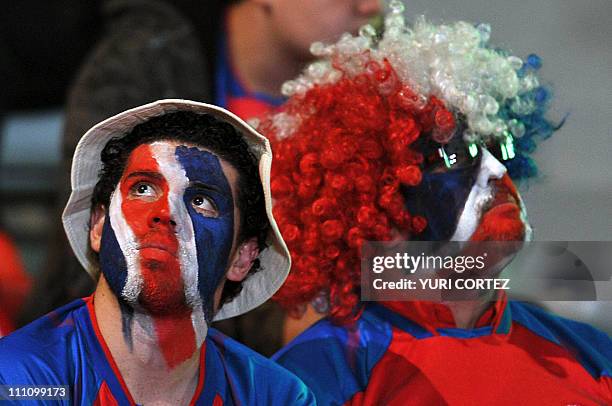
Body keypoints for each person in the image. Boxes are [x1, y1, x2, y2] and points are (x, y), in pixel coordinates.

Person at [258, 4, 612, 404]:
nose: (497, 170)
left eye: (499, 146)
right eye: (455, 157)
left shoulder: (591, 353)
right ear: (378, 209)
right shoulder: (319, 377)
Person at [25, 0, 381, 356]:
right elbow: (98, 261)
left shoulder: (377, 92)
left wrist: (413, 280)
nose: (370, 7)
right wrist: (298, 323)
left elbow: (410, 270)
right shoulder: (152, 58)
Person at [0, 100, 314, 405]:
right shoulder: (19, 380)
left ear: (242, 258)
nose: (167, 212)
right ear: (97, 226)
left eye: (200, 201)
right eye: (143, 189)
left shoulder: (276, 396)